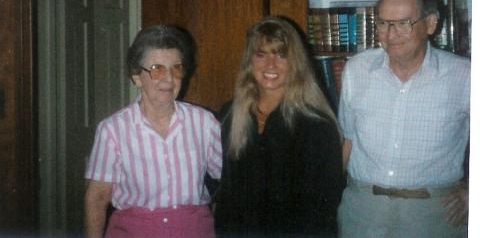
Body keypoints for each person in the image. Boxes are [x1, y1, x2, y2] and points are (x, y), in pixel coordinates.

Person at [338, 0, 470, 237]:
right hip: (363, 208)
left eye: (403, 24)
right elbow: (348, 139)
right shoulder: (357, 69)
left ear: (430, 24)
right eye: (383, 23)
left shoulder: (464, 75)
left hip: (435, 212)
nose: (390, 34)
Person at [84, 24, 222, 238]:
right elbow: (97, 198)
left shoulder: (205, 123)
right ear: (136, 77)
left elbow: (230, 181)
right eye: (157, 69)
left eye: (176, 68)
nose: (168, 78)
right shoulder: (113, 130)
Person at [215, 16, 344, 237]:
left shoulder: (317, 123)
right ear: (249, 61)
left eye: (281, 55)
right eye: (261, 54)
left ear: (295, 63)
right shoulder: (230, 114)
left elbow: (323, 207)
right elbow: (226, 193)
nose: (270, 65)